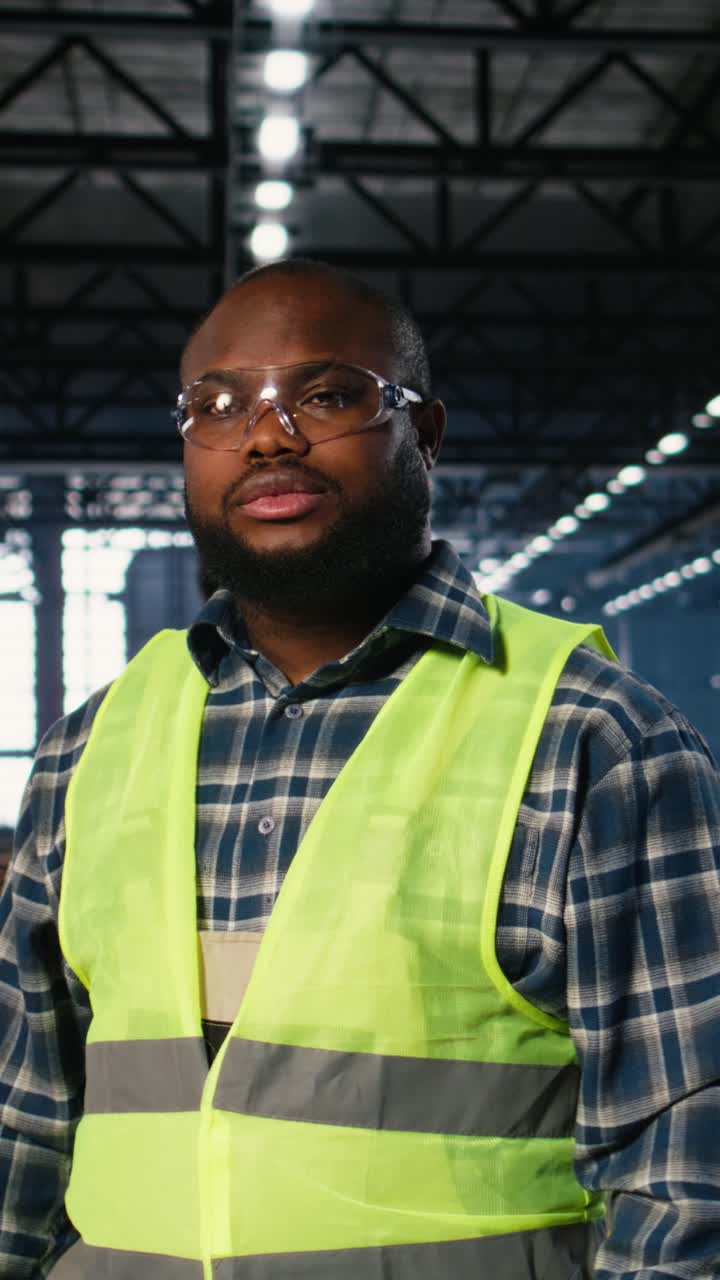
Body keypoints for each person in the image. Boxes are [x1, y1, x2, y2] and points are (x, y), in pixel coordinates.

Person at [1, 258, 719, 1280]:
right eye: (217, 404)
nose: (266, 433)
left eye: (326, 394)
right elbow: (20, 1123)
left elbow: (688, 1166)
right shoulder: (90, 746)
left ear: (423, 432)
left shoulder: (591, 737)